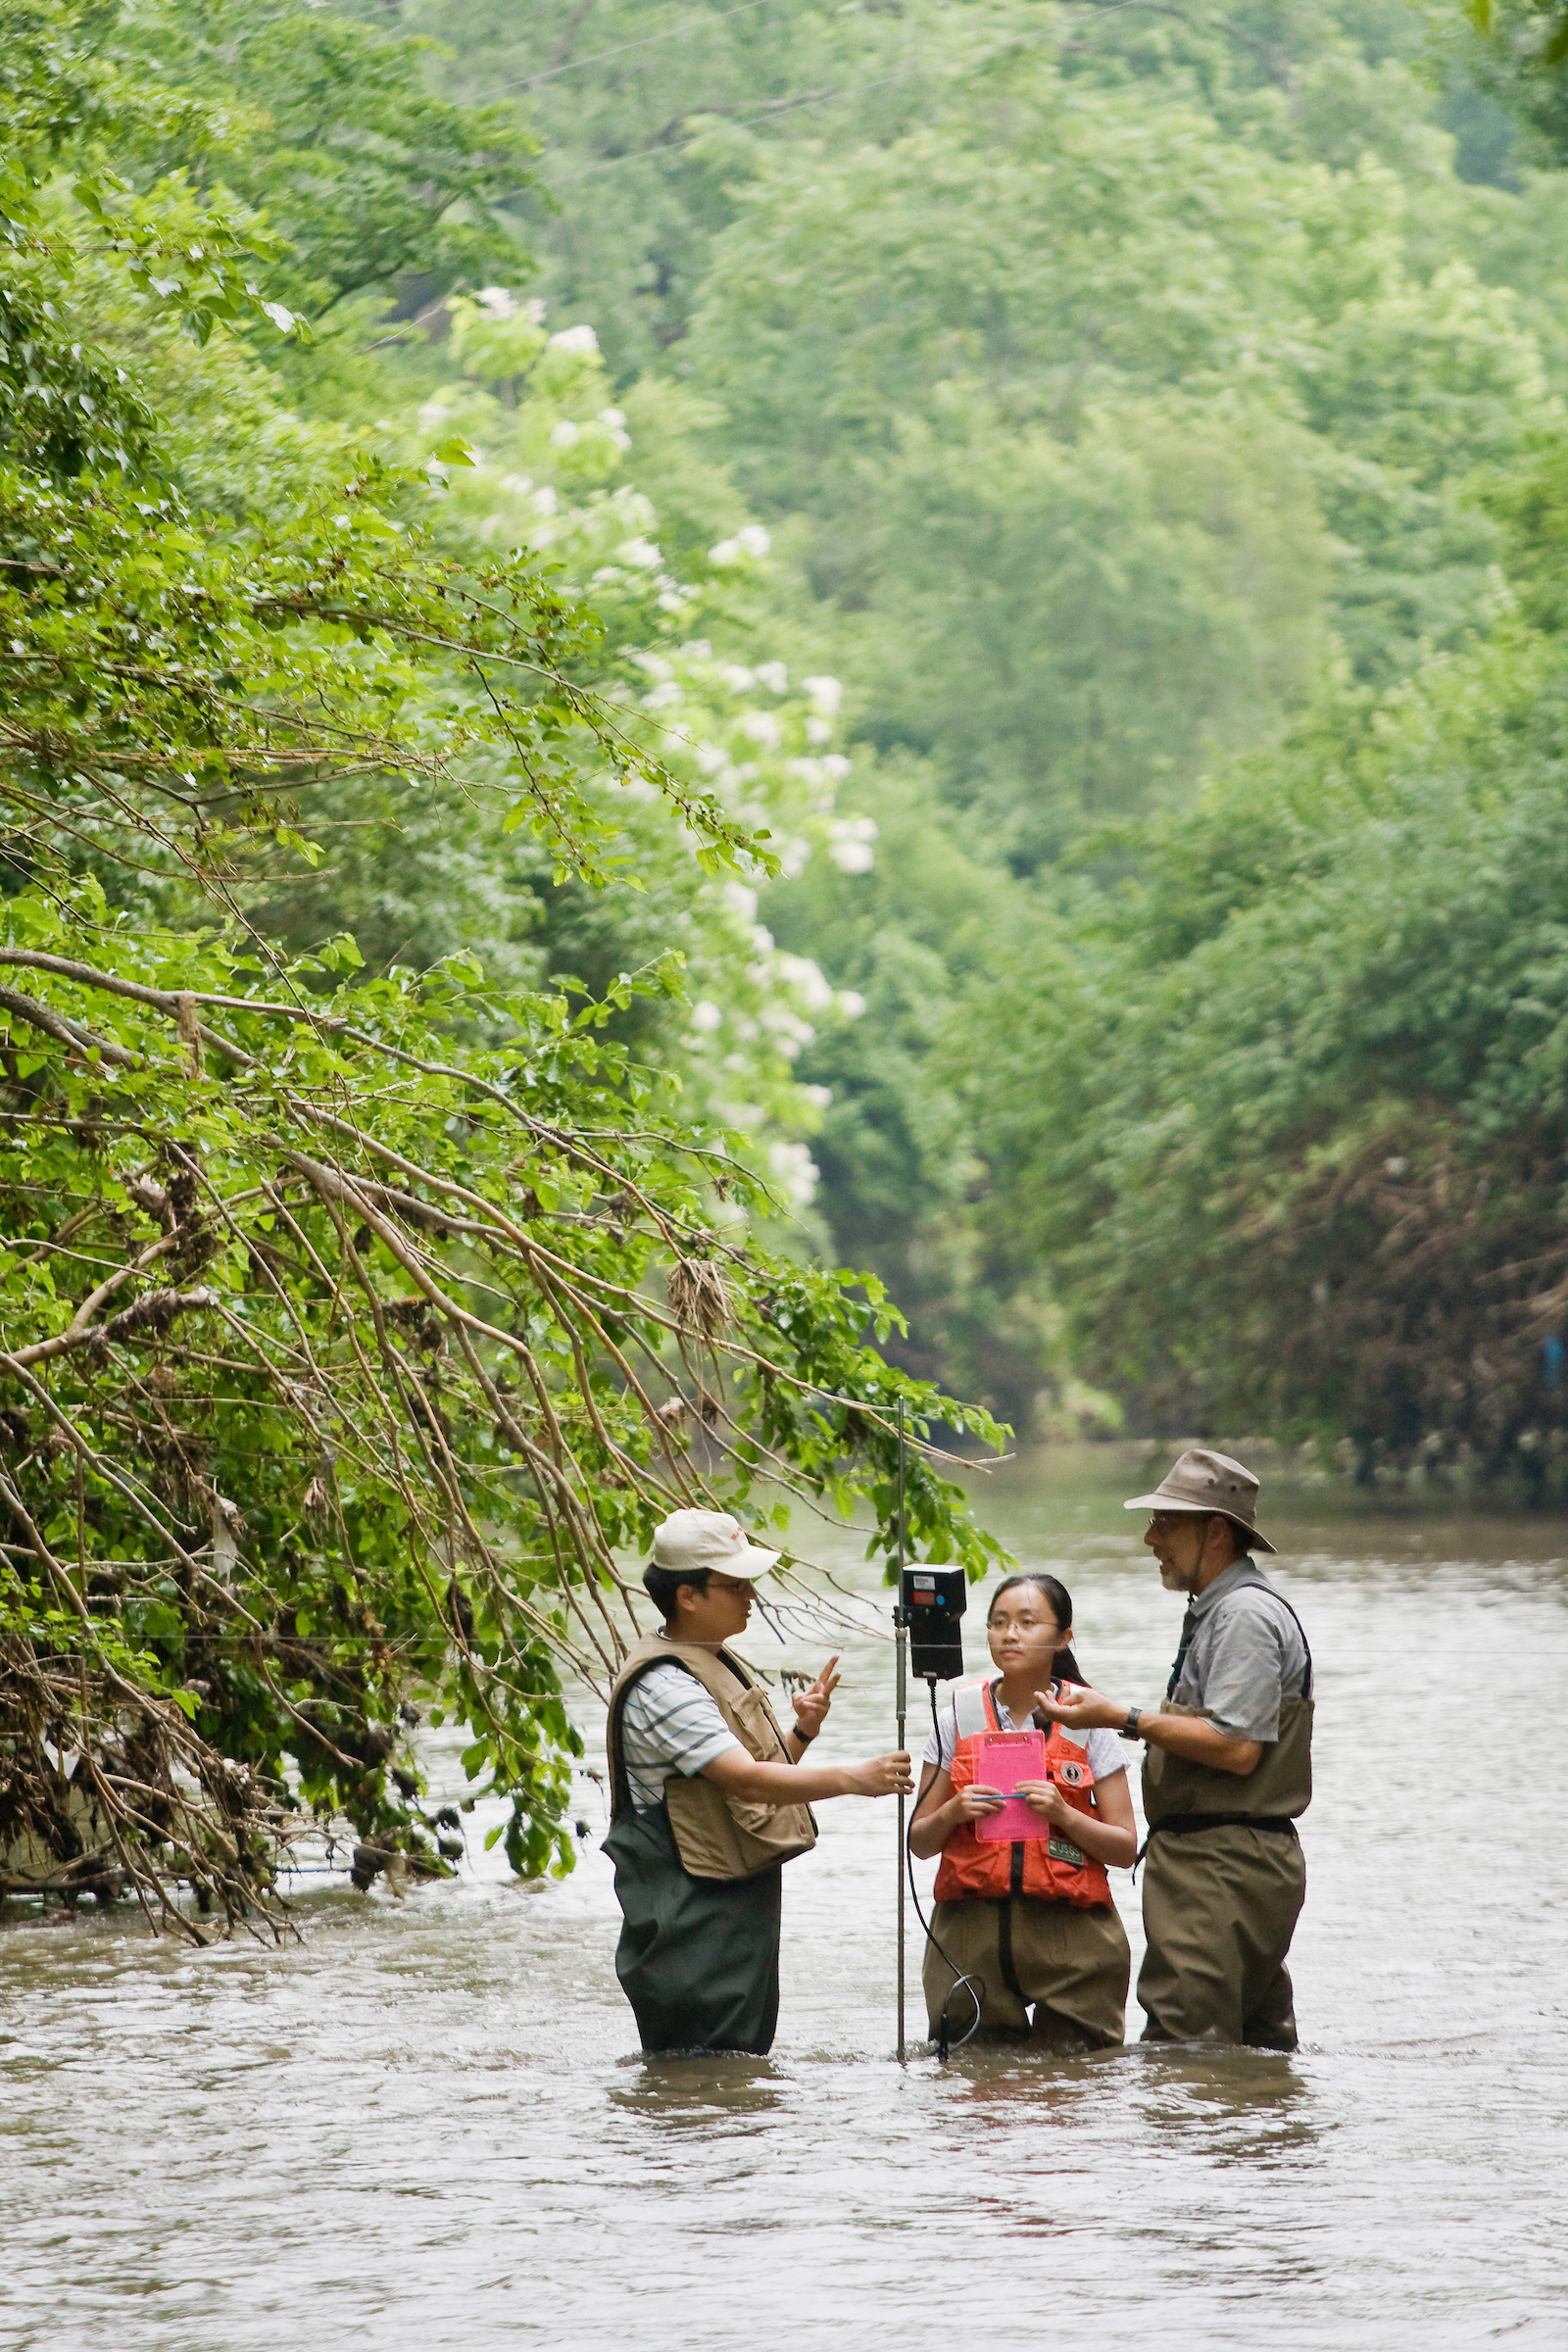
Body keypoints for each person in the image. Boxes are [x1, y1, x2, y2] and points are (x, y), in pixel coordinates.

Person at [603, 1507, 913, 2056]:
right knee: (698, 2074)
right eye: (736, 1583)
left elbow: (742, 1791)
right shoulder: (666, 1685)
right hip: (690, 1922)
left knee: (732, 2076)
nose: (752, 1595)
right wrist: (853, 1777)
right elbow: (743, 1781)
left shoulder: (710, 1658)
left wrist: (801, 1733)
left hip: (724, 1911)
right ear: (688, 1597)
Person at [1036, 1447, 1313, 2049]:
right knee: (1258, 2052)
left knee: (1185, 2054)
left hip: (1222, 1869)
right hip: (1230, 1865)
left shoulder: (1242, 1614)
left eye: (1166, 1523)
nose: (1149, 1538)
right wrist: (1117, 1716)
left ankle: (1191, 2149)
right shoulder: (1219, 1610)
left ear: (1216, 1532)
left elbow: (1236, 1747)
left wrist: (1122, 1716)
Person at [909, 1572, 1137, 2051]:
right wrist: (954, 1811)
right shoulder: (956, 1718)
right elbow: (921, 1842)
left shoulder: (1089, 1720)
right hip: (971, 1937)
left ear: (1063, 1637)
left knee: (1075, 2082)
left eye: (1027, 1622)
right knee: (975, 2089)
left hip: (1072, 1941)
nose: (1009, 1634)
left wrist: (1065, 1814)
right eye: (998, 1622)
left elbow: (1124, 1847)